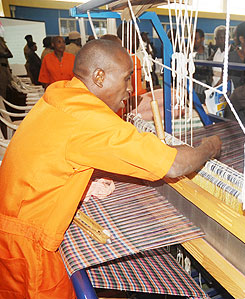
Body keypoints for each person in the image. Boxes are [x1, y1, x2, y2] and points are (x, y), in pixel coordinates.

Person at [0, 39, 222, 298]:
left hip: (16, 225)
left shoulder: (62, 94)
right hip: (28, 246)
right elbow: (174, 165)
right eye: (127, 78)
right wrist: (209, 148)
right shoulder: (89, 119)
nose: (129, 89)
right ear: (99, 76)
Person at [193, 29, 212, 103]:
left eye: (195, 39)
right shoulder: (189, 54)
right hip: (194, 91)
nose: (193, 41)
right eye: (192, 38)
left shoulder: (210, 53)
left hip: (207, 92)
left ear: (202, 39)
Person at [0, 23, 13, 100]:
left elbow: (10, 54)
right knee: (2, 90)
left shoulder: (2, 40)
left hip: (5, 67)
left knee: (6, 88)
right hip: (1, 68)